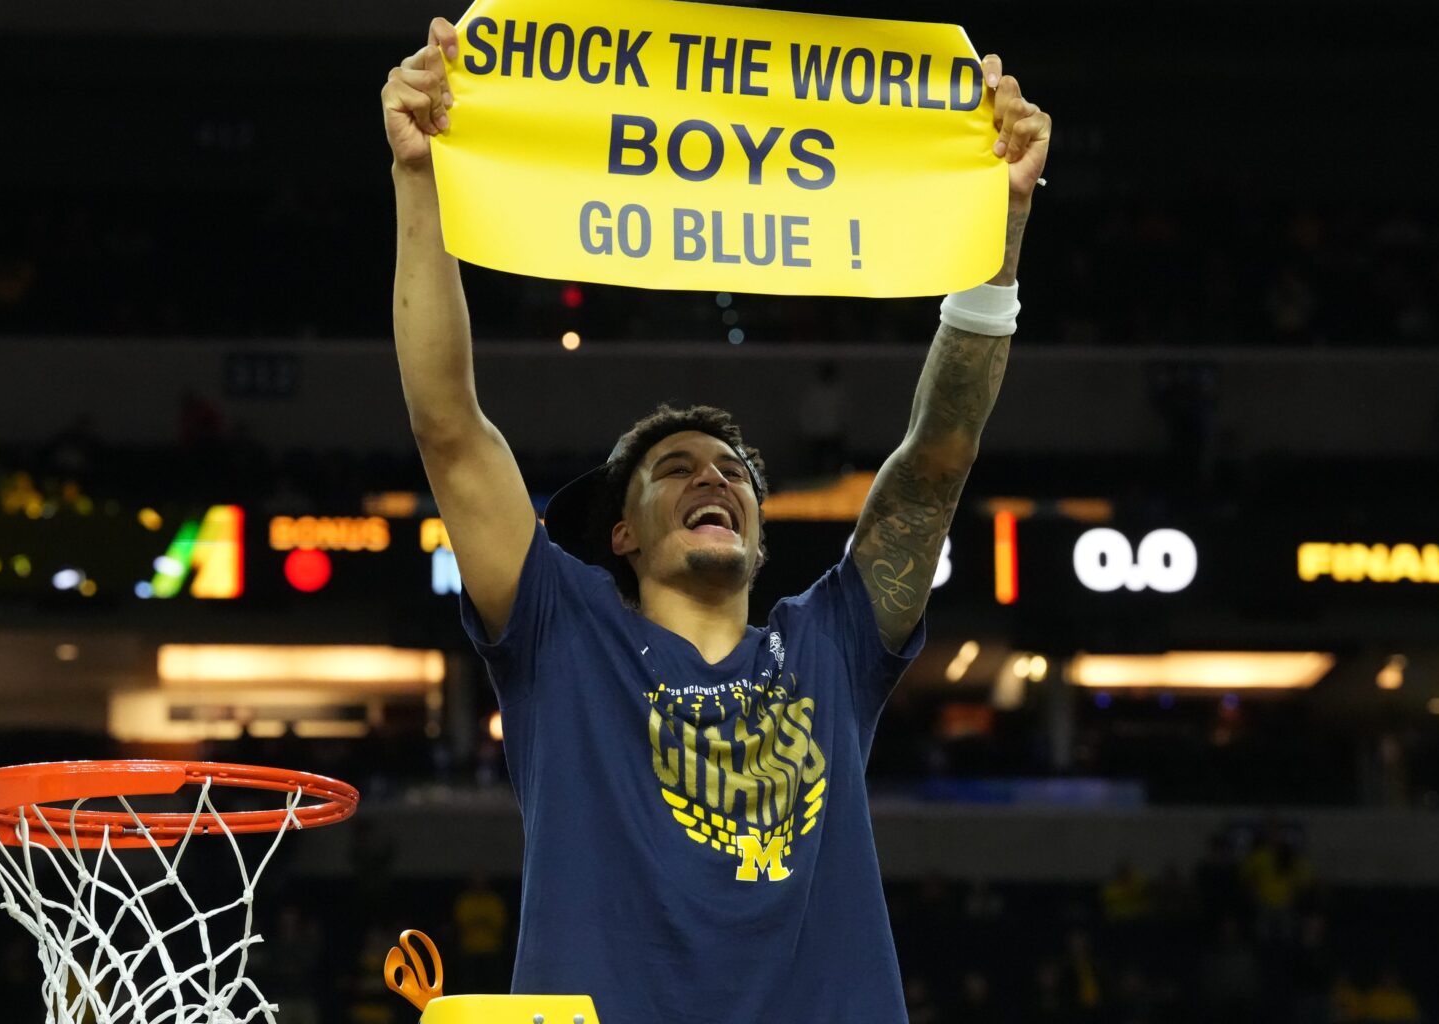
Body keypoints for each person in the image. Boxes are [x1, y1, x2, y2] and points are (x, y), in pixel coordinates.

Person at [382, 17, 1049, 1023]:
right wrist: (420, 180)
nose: (718, 478)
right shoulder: (563, 632)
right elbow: (448, 428)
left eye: (736, 471)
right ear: (620, 533)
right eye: (677, 468)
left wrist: (999, 228)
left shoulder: (829, 645)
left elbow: (936, 457)